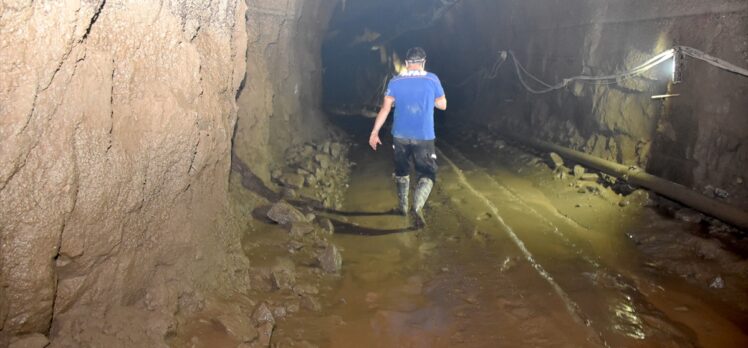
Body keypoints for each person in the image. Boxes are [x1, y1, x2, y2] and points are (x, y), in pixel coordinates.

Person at [368, 47, 447, 227]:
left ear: (406, 64)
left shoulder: (395, 82)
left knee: (402, 171)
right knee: (427, 173)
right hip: (424, 136)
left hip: (400, 137)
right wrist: (430, 100)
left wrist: (374, 132)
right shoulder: (432, 79)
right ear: (424, 62)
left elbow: (385, 109)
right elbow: (443, 105)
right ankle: (416, 208)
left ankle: (402, 207)